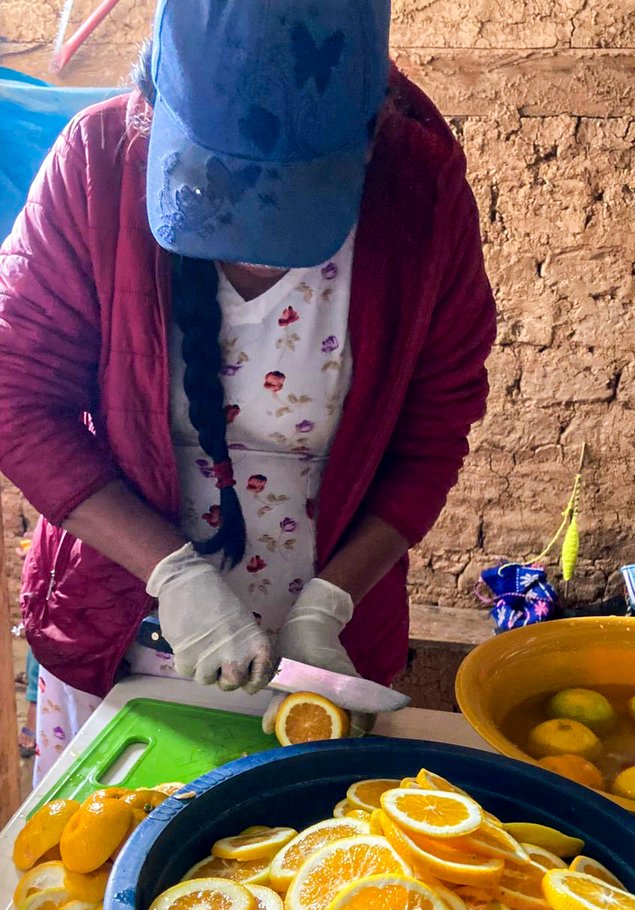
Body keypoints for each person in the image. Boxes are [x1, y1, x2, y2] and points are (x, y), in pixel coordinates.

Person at [0, 0, 496, 783]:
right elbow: (16, 400)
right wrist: (173, 574)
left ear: (369, 137)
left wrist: (330, 603)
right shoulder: (95, 167)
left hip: (322, 642)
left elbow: (433, 430)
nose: (261, 259)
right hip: (119, 611)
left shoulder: (421, 194)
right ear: (152, 113)